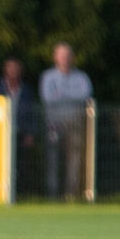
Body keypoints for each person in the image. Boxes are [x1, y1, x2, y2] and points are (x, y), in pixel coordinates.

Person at [39, 43, 93, 200]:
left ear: (72, 57)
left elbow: (85, 96)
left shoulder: (82, 77)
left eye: (67, 55)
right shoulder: (48, 77)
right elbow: (48, 98)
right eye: (61, 55)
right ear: (55, 57)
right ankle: (52, 195)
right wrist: (70, 96)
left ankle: (71, 194)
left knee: (74, 160)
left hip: (75, 123)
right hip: (54, 124)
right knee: (53, 159)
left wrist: (60, 94)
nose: (64, 58)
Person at [0, 56, 40, 194]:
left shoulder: (26, 90)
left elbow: (32, 112)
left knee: (21, 166)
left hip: (20, 132)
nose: (13, 71)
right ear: (5, 70)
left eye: (16, 68)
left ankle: (18, 193)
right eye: (10, 68)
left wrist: (30, 133)